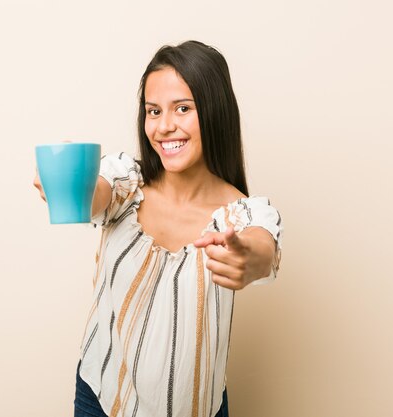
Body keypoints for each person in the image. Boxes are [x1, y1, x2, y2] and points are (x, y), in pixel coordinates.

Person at [34, 40, 283, 417]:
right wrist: (71, 179)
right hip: (101, 395)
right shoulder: (129, 185)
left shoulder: (242, 213)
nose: (164, 127)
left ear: (215, 111)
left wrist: (250, 258)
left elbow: (263, 247)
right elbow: (99, 191)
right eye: (154, 111)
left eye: (182, 108)